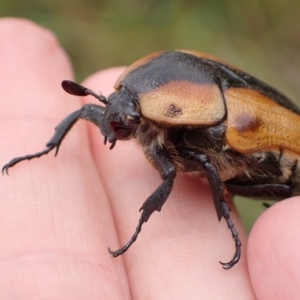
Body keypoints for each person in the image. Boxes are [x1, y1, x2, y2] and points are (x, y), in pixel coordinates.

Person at [0, 18, 299, 299]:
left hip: (282, 160)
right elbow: (87, 110)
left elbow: (193, 166)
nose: (113, 127)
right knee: (84, 112)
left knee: (205, 165)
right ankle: (46, 148)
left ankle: (161, 223)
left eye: (124, 122)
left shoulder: (203, 119)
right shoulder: (155, 104)